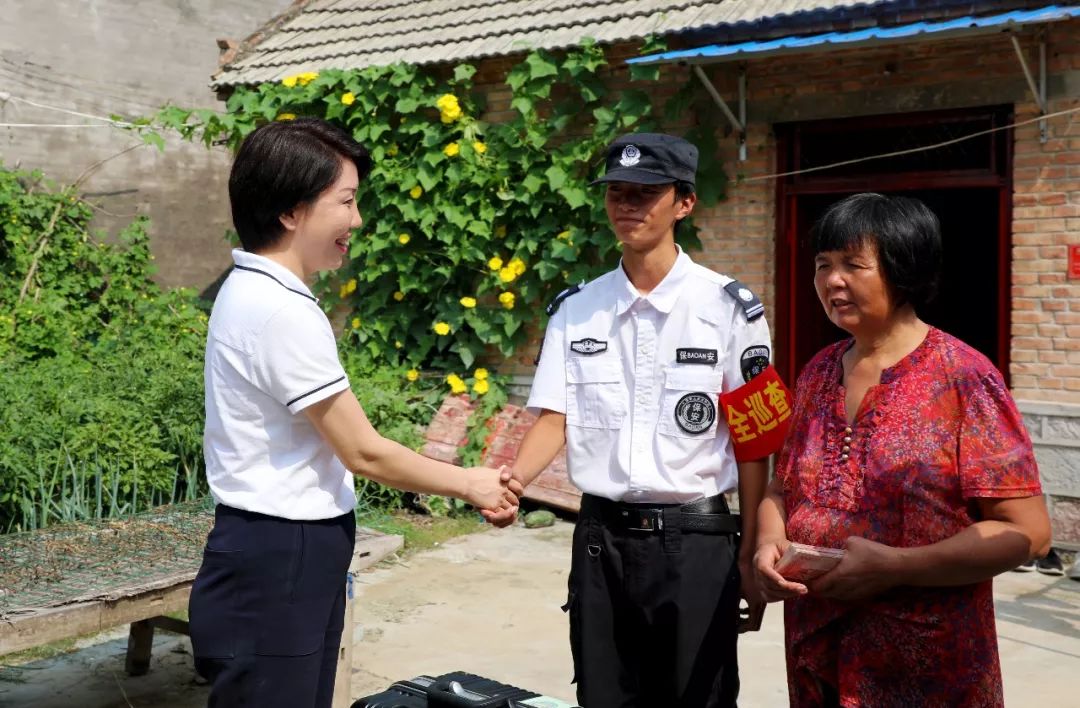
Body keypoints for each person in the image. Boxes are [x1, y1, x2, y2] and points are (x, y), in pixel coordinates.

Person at [188, 117, 521, 708]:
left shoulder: (257, 293)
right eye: (345, 202)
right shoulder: (279, 310)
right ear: (292, 211)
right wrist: (471, 483)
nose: (357, 221)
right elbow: (362, 450)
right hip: (279, 556)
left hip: (276, 551)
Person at [489, 133, 788, 707]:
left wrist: (752, 553)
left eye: (646, 193)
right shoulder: (577, 311)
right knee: (605, 696)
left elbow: (754, 445)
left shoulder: (730, 309)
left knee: (698, 698)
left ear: (684, 203)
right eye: (617, 192)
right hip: (601, 542)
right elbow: (556, 418)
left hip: (697, 543)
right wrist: (514, 484)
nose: (628, 205)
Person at [754, 193, 1052, 707]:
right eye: (823, 265)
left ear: (902, 269)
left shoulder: (963, 377)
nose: (832, 280)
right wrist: (766, 543)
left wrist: (897, 565)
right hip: (818, 651)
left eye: (853, 264)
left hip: (926, 663)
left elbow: (1028, 533)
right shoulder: (817, 371)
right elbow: (782, 489)